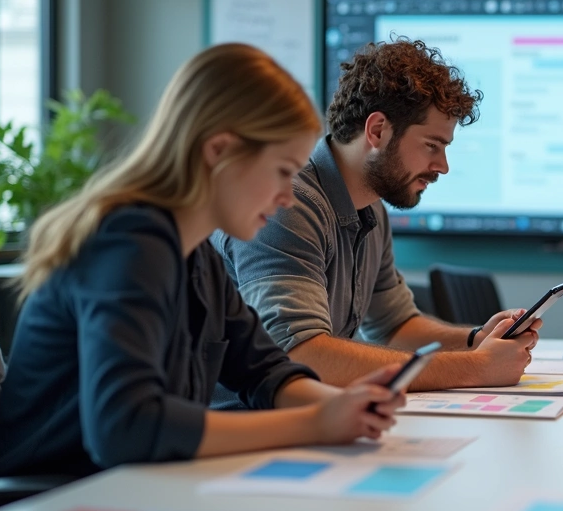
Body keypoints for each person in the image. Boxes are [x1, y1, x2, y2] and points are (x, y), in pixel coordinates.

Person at [0, 44, 404, 480]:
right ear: (219, 151)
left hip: (125, 491)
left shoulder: (195, 253)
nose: (286, 196)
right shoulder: (129, 245)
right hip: (40, 506)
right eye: (280, 172)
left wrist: (340, 405)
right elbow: (127, 427)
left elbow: (265, 371)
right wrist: (315, 423)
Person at [213, 39, 538, 398]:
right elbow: (300, 354)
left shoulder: (370, 208)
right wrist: (476, 368)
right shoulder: (289, 204)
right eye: (432, 145)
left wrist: (476, 340)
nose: (442, 167)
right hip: (240, 436)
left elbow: (394, 326)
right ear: (378, 130)